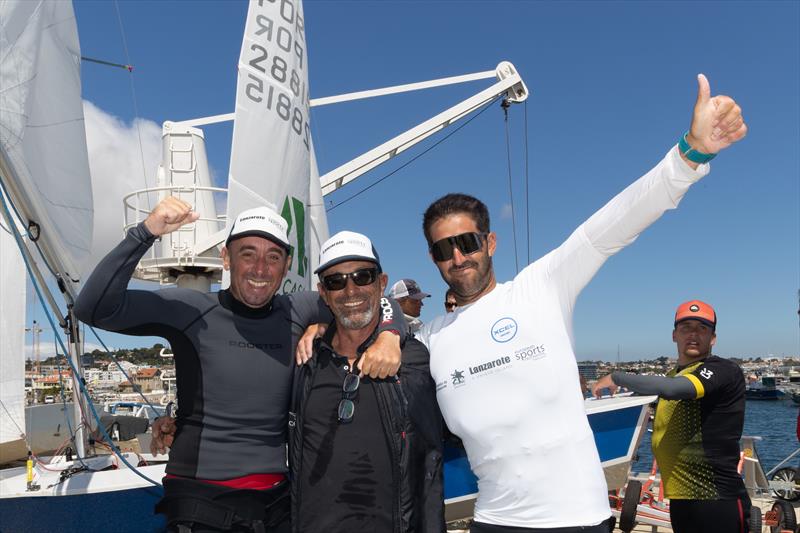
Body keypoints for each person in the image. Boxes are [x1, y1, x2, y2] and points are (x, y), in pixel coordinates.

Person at [414, 75, 746, 532]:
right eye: (442, 249)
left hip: (578, 520)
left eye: (467, 242)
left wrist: (691, 154)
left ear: (490, 242)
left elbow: (614, 223)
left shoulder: (541, 286)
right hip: (492, 521)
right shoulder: (431, 338)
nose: (457, 257)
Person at [74, 198, 403, 533]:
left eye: (273, 257)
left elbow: (380, 301)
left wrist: (389, 335)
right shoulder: (190, 309)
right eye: (247, 253)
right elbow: (92, 307)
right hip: (201, 499)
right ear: (226, 258)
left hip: (276, 500)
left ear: (286, 265)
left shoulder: (298, 309)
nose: (260, 268)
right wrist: (146, 232)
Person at [289, 232, 444, 532]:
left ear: (381, 284)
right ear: (323, 293)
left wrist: (391, 332)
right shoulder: (305, 360)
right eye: (336, 281)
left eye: (363, 276)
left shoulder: (415, 359)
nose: (351, 290)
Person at [592, 300, 749, 533]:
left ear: (713, 338)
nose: (694, 334)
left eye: (702, 328)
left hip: (716, 498)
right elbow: (662, 391)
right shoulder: (672, 375)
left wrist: (617, 377)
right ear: (674, 335)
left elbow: (676, 389)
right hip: (681, 499)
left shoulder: (722, 369)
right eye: (686, 328)